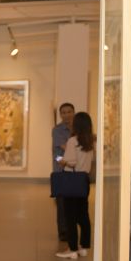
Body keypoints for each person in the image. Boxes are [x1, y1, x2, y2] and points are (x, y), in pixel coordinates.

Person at [56, 111, 95, 259]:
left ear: (77, 124)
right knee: (83, 214)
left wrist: (58, 158)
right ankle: (84, 247)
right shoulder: (91, 141)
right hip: (84, 180)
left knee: (70, 216)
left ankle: (72, 249)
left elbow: (70, 162)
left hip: (72, 180)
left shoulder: (73, 141)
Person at [52, 103, 75, 243]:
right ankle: (63, 232)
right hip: (60, 169)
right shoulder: (57, 130)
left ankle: (72, 229)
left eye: (69, 111)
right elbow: (62, 150)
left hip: (75, 170)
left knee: (74, 203)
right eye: (64, 112)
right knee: (61, 204)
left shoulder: (78, 128)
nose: (67, 115)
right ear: (60, 115)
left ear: (74, 112)